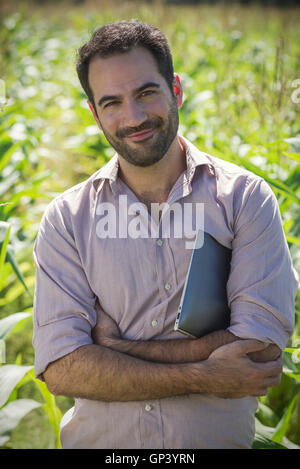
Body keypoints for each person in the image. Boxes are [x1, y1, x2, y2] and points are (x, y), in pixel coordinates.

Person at [32, 19, 298, 449]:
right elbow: (62, 368)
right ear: (94, 113)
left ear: (176, 89)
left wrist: (113, 349)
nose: (133, 117)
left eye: (146, 93)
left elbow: (259, 351)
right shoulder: (67, 219)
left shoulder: (244, 198)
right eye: (112, 102)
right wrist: (204, 373)